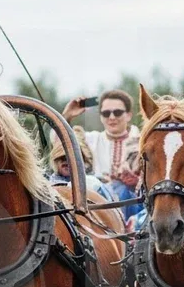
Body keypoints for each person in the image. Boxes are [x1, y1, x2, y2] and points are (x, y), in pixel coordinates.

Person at [62, 89, 142, 219]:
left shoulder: (142, 142)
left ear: (128, 115)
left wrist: (136, 182)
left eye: (117, 112)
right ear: (101, 117)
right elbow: (60, 145)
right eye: (106, 113)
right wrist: (67, 116)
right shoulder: (91, 140)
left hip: (136, 208)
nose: (112, 117)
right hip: (98, 207)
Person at [49, 132, 112, 200]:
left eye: (71, 157)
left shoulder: (93, 183)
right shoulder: (49, 187)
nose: (67, 161)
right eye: (62, 158)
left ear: (82, 160)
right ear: (55, 162)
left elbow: (110, 205)